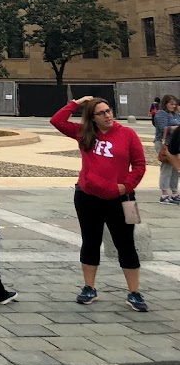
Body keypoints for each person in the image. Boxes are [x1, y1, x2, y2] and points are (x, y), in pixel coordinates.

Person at [50, 95, 147, 311]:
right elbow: (57, 121)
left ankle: (134, 292)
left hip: (120, 198)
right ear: (92, 118)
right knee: (91, 241)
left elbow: (139, 165)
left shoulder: (127, 134)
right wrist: (77, 103)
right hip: (88, 196)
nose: (108, 115)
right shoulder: (85, 133)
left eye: (109, 111)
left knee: (126, 244)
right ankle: (89, 287)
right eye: (101, 113)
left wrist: (126, 187)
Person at [153, 95, 180, 204]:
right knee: (166, 167)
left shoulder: (176, 114)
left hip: (174, 143)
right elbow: (163, 127)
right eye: (171, 104)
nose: (173, 106)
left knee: (175, 168)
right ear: (165, 104)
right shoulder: (160, 114)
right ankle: (164, 194)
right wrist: (177, 128)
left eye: (175, 104)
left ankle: (174, 192)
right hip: (164, 143)